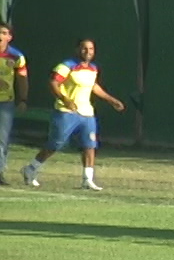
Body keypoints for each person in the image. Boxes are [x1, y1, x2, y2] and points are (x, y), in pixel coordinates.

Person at [21, 39, 124, 190]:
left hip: (87, 113)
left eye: (91, 49)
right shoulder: (67, 66)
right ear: (77, 50)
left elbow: (94, 86)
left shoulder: (93, 68)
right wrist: (64, 99)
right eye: (84, 49)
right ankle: (31, 169)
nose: (88, 52)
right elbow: (53, 82)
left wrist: (111, 100)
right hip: (66, 112)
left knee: (90, 145)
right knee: (56, 144)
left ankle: (87, 179)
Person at [0, 22, 29, 186]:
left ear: (9, 37)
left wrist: (23, 99)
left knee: (2, 139)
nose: (0, 36)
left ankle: (0, 171)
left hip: (5, 103)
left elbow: (22, 79)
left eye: (4, 33)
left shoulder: (16, 56)